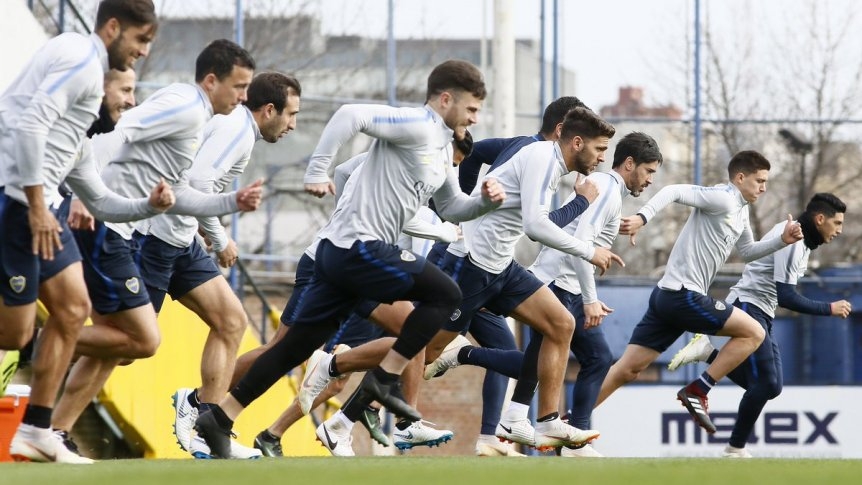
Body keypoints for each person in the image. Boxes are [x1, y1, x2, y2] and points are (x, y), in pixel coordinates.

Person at [194, 59, 505, 459]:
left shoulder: (442, 148)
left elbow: (452, 206)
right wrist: (317, 169)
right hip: (357, 249)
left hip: (343, 256)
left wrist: (483, 202)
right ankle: (381, 381)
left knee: (293, 349)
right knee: (446, 294)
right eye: (472, 110)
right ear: (446, 99)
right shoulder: (417, 125)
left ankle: (218, 418)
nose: (475, 119)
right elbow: (350, 114)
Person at [55, 39, 261, 460]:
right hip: (128, 234)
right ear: (211, 80)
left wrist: (230, 204)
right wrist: (83, 193)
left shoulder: (201, 117)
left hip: (151, 233)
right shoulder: (187, 106)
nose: (244, 98)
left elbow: (185, 190)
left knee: (211, 324)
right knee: (134, 342)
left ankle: (208, 424)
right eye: (239, 87)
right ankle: (41, 360)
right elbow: (115, 137)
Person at [427, 131, 663, 457]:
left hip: (555, 282)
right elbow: (579, 240)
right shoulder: (597, 185)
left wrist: (640, 219)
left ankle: (538, 421)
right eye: (649, 171)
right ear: (630, 163)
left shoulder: (601, 189)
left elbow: (556, 227)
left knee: (578, 357)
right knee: (570, 358)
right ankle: (533, 416)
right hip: (550, 280)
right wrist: (590, 298)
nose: (651, 179)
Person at [0, 0, 161, 464]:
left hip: (40, 202)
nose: (143, 53)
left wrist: (151, 204)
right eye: (140, 40)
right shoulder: (84, 64)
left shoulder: (75, 64)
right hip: (18, 200)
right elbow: (30, 123)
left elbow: (99, 197)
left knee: (73, 309)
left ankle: (36, 430)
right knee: (14, 335)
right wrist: (34, 205)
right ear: (113, 28)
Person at [427, 96, 595, 457]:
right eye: (599, 148)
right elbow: (538, 226)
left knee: (560, 325)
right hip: (469, 264)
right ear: (567, 134)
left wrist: (468, 202)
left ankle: (537, 421)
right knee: (419, 351)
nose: (600, 157)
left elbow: (474, 152)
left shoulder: (538, 155)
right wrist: (458, 211)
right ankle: (348, 397)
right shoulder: (537, 153)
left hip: (501, 267)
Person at [593, 150, 804, 436]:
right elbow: (673, 190)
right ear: (740, 177)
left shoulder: (741, 209)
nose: (764, 188)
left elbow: (747, 252)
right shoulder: (724, 198)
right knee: (754, 333)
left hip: (667, 297)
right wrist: (643, 217)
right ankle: (698, 389)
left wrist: (781, 240)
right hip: (683, 296)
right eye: (759, 181)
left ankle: (574, 421)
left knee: (627, 370)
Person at [668, 193, 849, 458]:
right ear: (820, 219)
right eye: (837, 223)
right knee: (765, 385)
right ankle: (734, 448)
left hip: (761, 311)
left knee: (770, 386)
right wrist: (828, 309)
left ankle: (708, 354)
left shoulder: (803, 242)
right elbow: (786, 296)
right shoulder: (794, 241)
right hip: (748, 307)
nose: (840, 230)